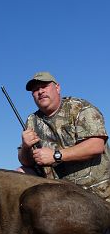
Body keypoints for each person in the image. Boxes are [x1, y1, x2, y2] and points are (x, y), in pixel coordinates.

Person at [17, 71, 110, 201]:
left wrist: (56, 156)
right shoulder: (31, 121)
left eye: (44, 86)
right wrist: (26, 147)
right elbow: (26, 162)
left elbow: (96, 146)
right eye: (35, 89)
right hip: (58, 194)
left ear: (57, 87)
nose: (40, 91)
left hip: (96, 195)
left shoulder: (80, 108)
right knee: (19, 173)